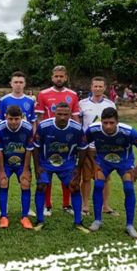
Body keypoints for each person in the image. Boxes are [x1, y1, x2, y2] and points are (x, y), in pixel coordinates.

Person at [86, 107, 137, 238]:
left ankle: (129, 225)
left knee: (128, 188)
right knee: (99, 185)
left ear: (117, 122)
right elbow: (83, 145)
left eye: (111, 122)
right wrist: (94, 165)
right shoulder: (93, 129)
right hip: (103, 161)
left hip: (124, 161)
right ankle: (97, 220)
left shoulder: (128, 131)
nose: (108, 126)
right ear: (101, 122)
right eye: (105, 123)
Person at [32, 102, 89, 233]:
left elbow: (83, 148)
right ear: (54, 113)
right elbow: (36, 147)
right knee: (41, 186)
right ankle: (40, 220)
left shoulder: (77, 128)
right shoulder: (44, 126)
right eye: (59, 114)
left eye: (66, 114)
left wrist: (78, 169)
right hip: (46, 162)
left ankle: (78, 222)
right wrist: (37, 166)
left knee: (74, 187)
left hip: (67, 163)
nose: (62, 117)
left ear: (70, 114)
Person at [35, 65, 80, 216]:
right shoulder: (43, 94)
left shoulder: (73, 95)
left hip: (67, 139)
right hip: (47, 139)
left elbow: (75, 117)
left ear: (66, 77)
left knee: (66, 171)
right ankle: (47, 205)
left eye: (62, 76)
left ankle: (66, 204)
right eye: (56, 76)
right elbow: (39, 117)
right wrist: (37, 136)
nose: (59, 79)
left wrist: (78, 136)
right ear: (52, 77)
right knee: (47, 173)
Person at [78, 77, 119, 217]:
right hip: (88, 147)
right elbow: (79, 124)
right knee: (86, 178)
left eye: (100, 86)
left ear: (105, 87)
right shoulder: (81, 104)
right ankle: (85, 205)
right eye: (95, 86)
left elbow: (114, 125)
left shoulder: (110, 104)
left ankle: (105, 205)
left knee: (106, 177)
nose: (97, 89)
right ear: (91, 87)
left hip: (104, 147)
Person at [0, 105, 34, 230]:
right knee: (3, 182)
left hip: (21, 163)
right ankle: (4, 217)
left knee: (25, 183)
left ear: (21, 118)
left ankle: (25, 217)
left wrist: (26, 170)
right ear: (6, 117)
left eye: (17, 119)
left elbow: (28, 150)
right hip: (5, 162)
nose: (14, 122)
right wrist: (1, 170)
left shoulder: (28, 128)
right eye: (11, 119)